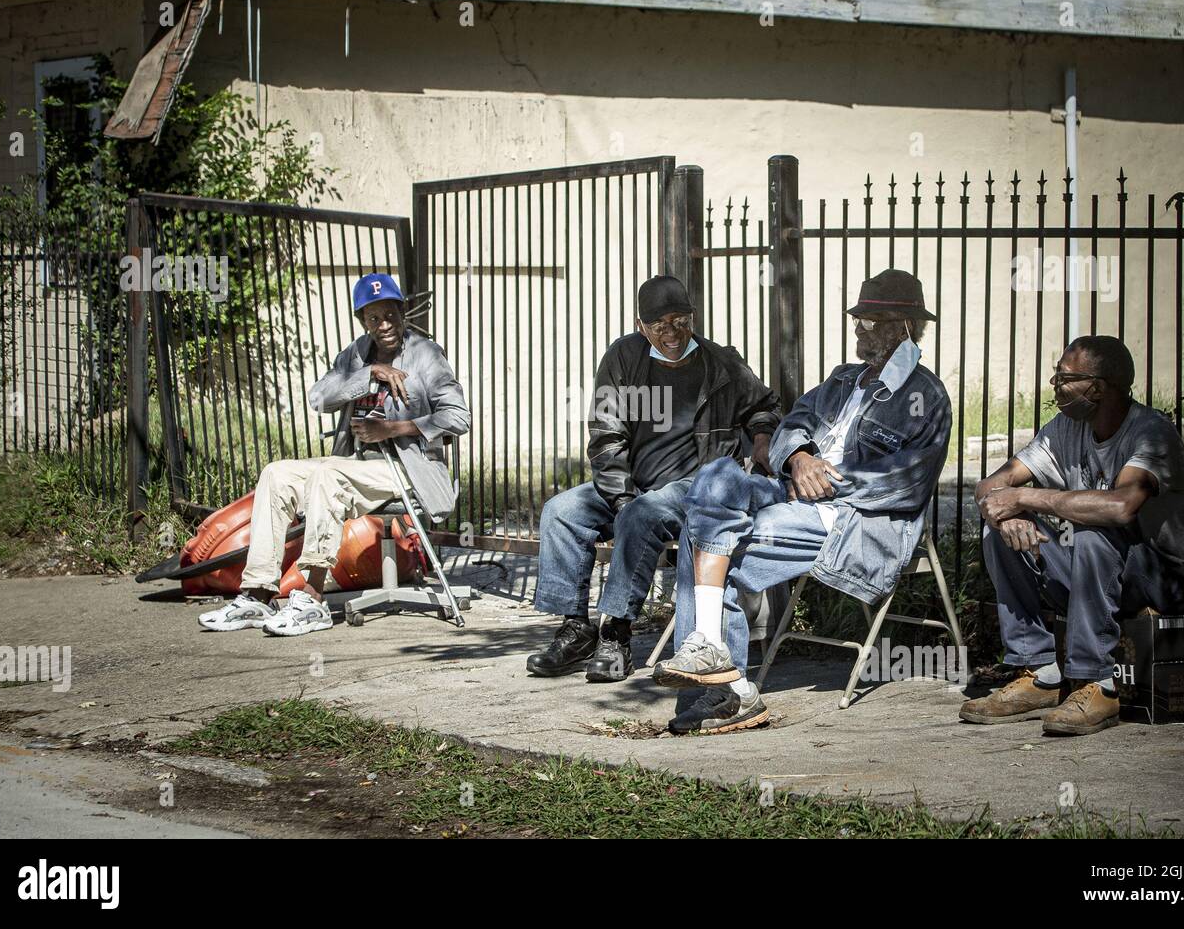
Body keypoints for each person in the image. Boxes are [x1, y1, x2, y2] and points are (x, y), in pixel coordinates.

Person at [653, 269, 951, 734]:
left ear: (904, 328)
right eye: (858, 319)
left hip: (851, 516)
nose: (858, 329)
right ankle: (713, 653)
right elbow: (791, 425)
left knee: (709, 548)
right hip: (793, 494)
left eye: (871, 322)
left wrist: (826, 480)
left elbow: (908, 482)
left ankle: (729, 694)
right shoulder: (842, 379)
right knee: (715, 478)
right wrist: (798, 458)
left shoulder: (926, 397)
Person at [527, 275, 781, 682]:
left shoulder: (721, 362)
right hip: (632, 482)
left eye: (679, 321)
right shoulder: (624, 358)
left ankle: (617, 635)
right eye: (658, 324)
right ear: (640, 325)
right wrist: (622, 501)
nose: (671, 332)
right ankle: (576, 629)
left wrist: (764, 439)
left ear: (692, 318)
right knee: (561, 511)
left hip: (696, 487)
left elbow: (764, 405)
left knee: (642, 514)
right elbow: (606, 438)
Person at [198, 273, 470, 637]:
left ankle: (312, 598)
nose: (384, 325)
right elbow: (318, 397)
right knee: (276, 474)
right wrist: (369, 372)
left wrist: (392, 429)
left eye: (391, 314)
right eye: (374, 318)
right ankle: (258, 593)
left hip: (409, 468)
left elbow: (458, 417)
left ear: (403, 312)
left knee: (329, 477)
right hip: (359, 464)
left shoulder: (426, 355)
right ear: (363, 322)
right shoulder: (356, 354)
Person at [960, 335, 1184, 735]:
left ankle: (1097, 684)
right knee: (996, 534)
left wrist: (1027, 497)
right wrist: (1007, 517)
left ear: (1097, 387)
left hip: (1159, 579)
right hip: (1095, 574)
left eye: (1064, 378)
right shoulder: (1066, 428)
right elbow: (991, 486)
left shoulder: (1151, 433)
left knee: (1093, 533)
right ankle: (1040, 674)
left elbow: (1121, 507)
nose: (1055, 386)